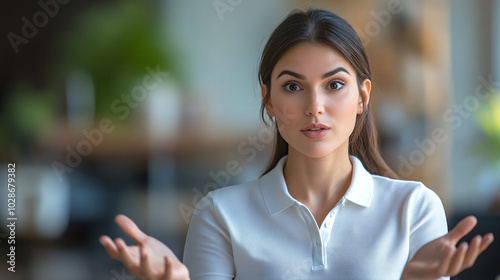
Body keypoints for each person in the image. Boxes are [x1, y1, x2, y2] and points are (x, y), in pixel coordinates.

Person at [99, 8, 494, 280]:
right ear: (269, 100)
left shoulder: (413, 208)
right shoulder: (220, 214)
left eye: (335, 85)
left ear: (362, 97)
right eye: (292, 87)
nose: (315, 107)